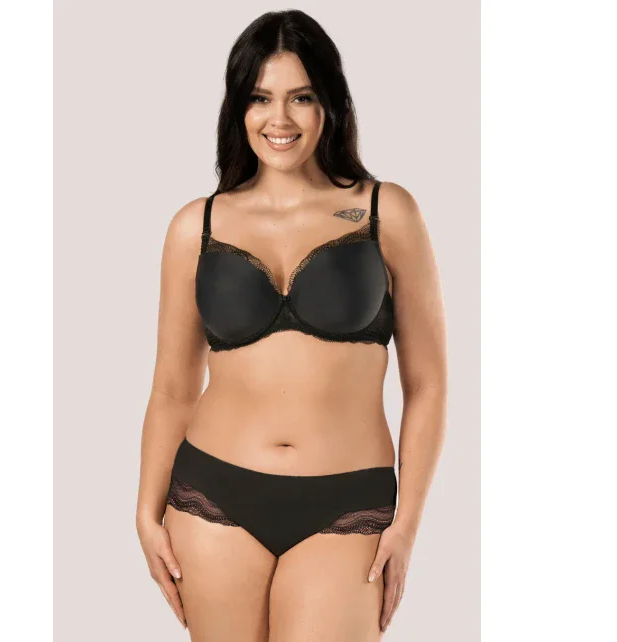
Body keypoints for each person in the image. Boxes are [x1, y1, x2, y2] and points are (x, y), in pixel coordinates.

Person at [136, 9, 447, 641]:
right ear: (238, 108)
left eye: (300, 97)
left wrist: (408, 522)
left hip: (348, 507)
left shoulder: (385, 212)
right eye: (260, 98)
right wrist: (145, 510)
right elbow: (172, 388)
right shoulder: (196, 226)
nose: (279, 119)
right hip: (211, 498)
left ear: (329, 103)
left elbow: (428, 384)